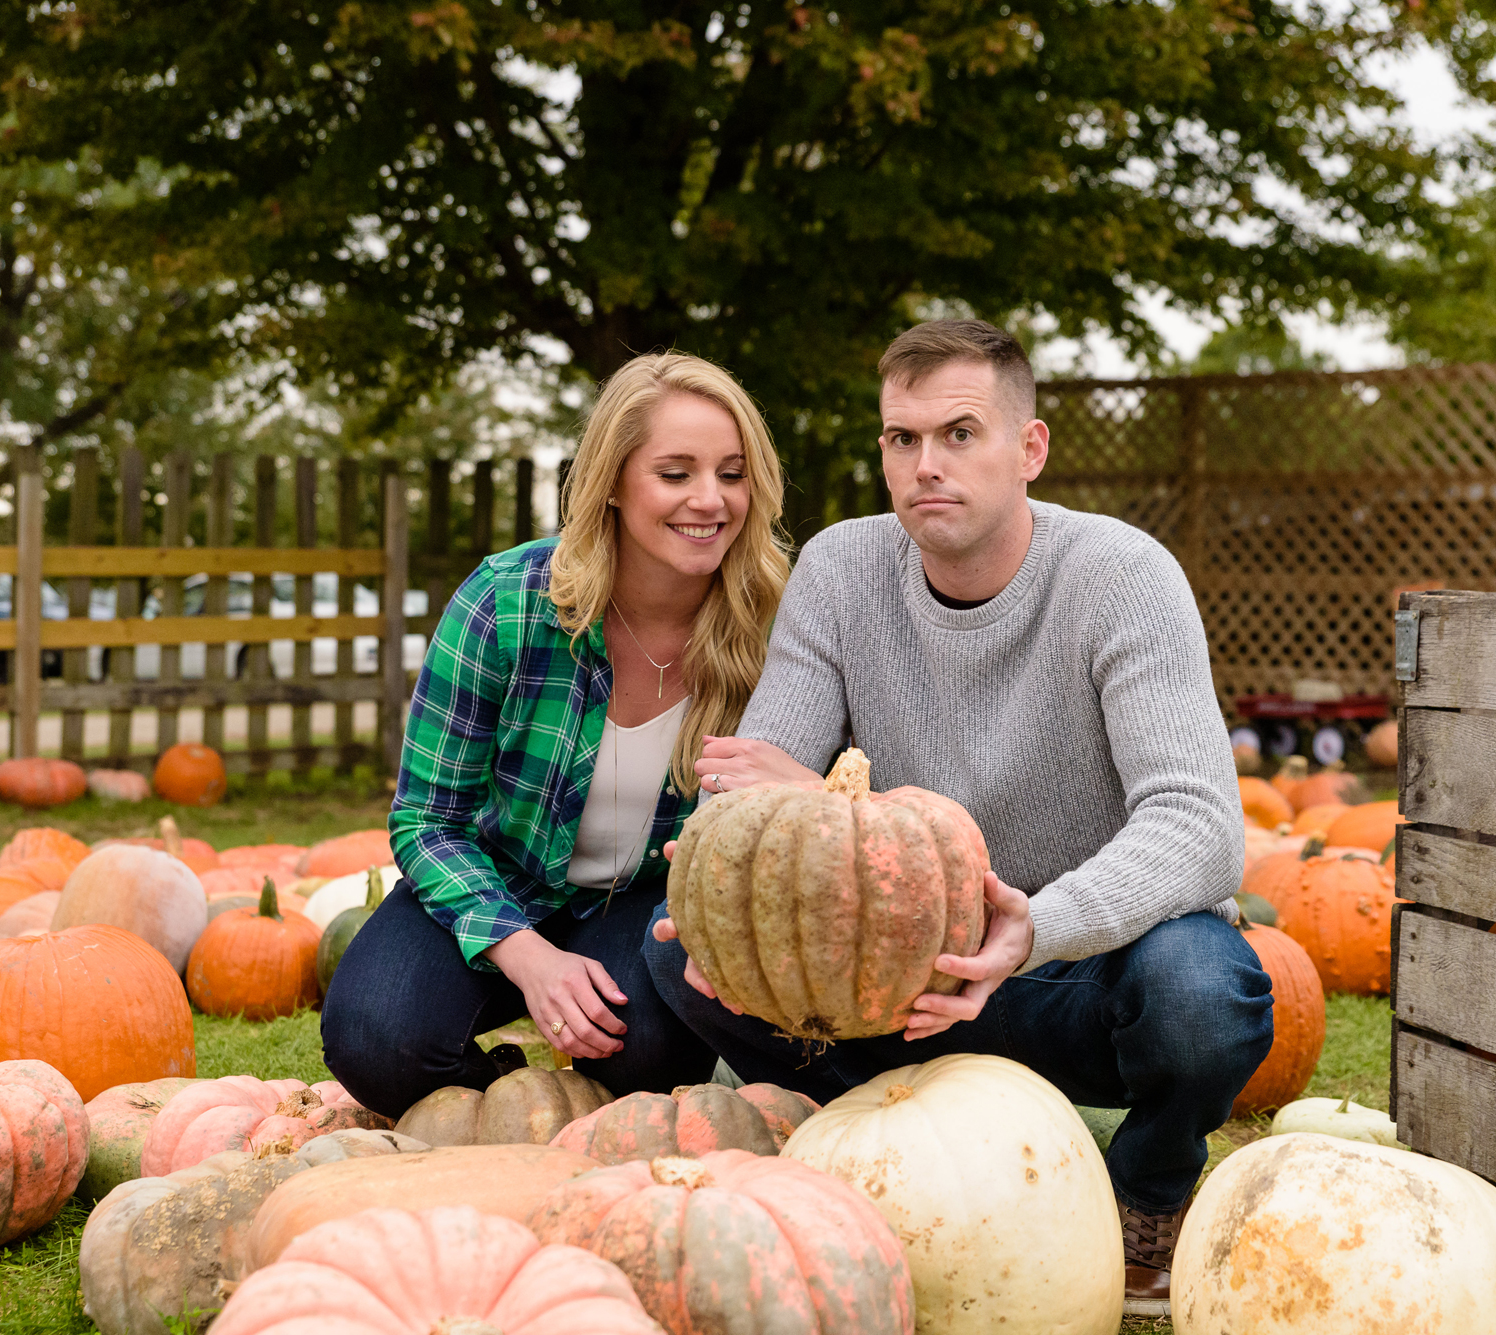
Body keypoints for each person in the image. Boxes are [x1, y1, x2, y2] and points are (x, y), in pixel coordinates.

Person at [644, 319, 1272, 1313]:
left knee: (1204, 986)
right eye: (901, 439)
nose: (924, 465)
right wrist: (732, 876)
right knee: (673, 952)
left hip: (1074, 967)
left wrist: (1035, 926)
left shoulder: (1120, 575)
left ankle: (1146, 1195)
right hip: (905, 981)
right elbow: (757, 791)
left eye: (958, 434)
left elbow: (1197, 826)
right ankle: (866, 1165)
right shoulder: (843, 571)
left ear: (1028, 449)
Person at [324, 350, 791, 1115]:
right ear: (612, 481)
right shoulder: (507, 601)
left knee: (647, 1054)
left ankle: (585, 1097)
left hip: (645, 897)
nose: (709, 499)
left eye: (732, 474)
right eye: (675, 473)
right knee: (378, 1038)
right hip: (496, 873)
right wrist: (529, 957)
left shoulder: (773, 628)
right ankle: (513, 1102)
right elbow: (426, 820)